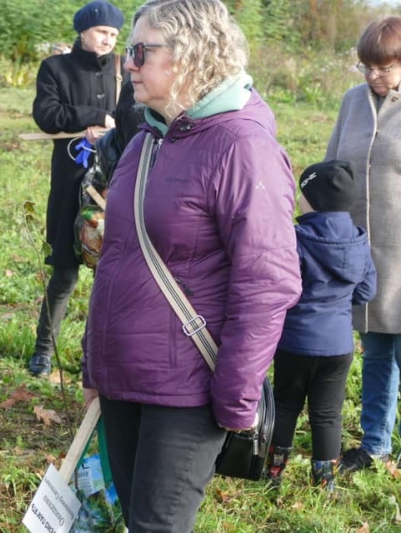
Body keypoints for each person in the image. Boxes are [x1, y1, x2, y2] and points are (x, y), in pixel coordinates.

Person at [81, 0, 301, 530]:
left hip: (188, 391)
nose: (127, 63)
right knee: (134, 521)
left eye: (140, 51)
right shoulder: (145, 141)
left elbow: (267, 284)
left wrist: (235, 397)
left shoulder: (241, 147)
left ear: (191, 55)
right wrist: (96, 365)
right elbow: (115, 261)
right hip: (124, 379)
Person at [29, 0, 125, 378]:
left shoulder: (123, 73)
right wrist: (94, 117)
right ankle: (43, 351)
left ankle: (101, 355)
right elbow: (47, 116)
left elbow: (134, 118)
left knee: (111, 273)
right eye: (102, 32)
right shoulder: (55, 68)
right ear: (84, 31)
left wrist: (114, 126)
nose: (108, 40)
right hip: (70, 182)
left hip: (114, 184)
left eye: (114, 34)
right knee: (64, 273)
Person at [267, 160, 376, 492]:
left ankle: (272, 474)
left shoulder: (296, 238)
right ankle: (324, 481)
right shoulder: (359, 240)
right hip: (339, 345)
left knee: (286, 404)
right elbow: (367, 289)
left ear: (314, 200)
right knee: (328, 414)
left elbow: (283, 287)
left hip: (295, 342)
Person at [328, 15, 401, 474]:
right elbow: (333, 168)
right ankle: (375, 445)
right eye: (366, 67)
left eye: (384, 67)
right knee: (376, 354)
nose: (374, 76)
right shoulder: (352, 103)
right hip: (366, 255)